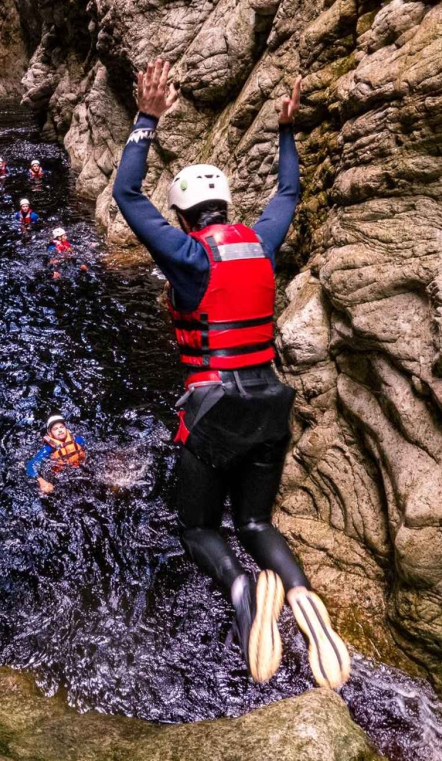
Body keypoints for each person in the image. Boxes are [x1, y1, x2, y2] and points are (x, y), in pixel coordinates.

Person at [111, 59, 350, 690]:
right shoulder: (262, 242)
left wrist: (147, 118)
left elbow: (126, 194)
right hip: (272, 406)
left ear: (187, 217)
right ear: (225, 206)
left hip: (214, 411)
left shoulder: (189, 257)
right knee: (256, 522)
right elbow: (289, 194)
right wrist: (286, 133)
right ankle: (301, 598)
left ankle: (245, 592)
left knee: (199, 527)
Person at [27, 415, 86, 494]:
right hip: (60, 478)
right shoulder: (48, 449)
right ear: (50, 433)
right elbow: (30, 465)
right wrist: (42, 481)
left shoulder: (78, 440)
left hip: (81, 471)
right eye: (55, 429)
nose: (60, 430)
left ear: (66, 428)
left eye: (61, 427)